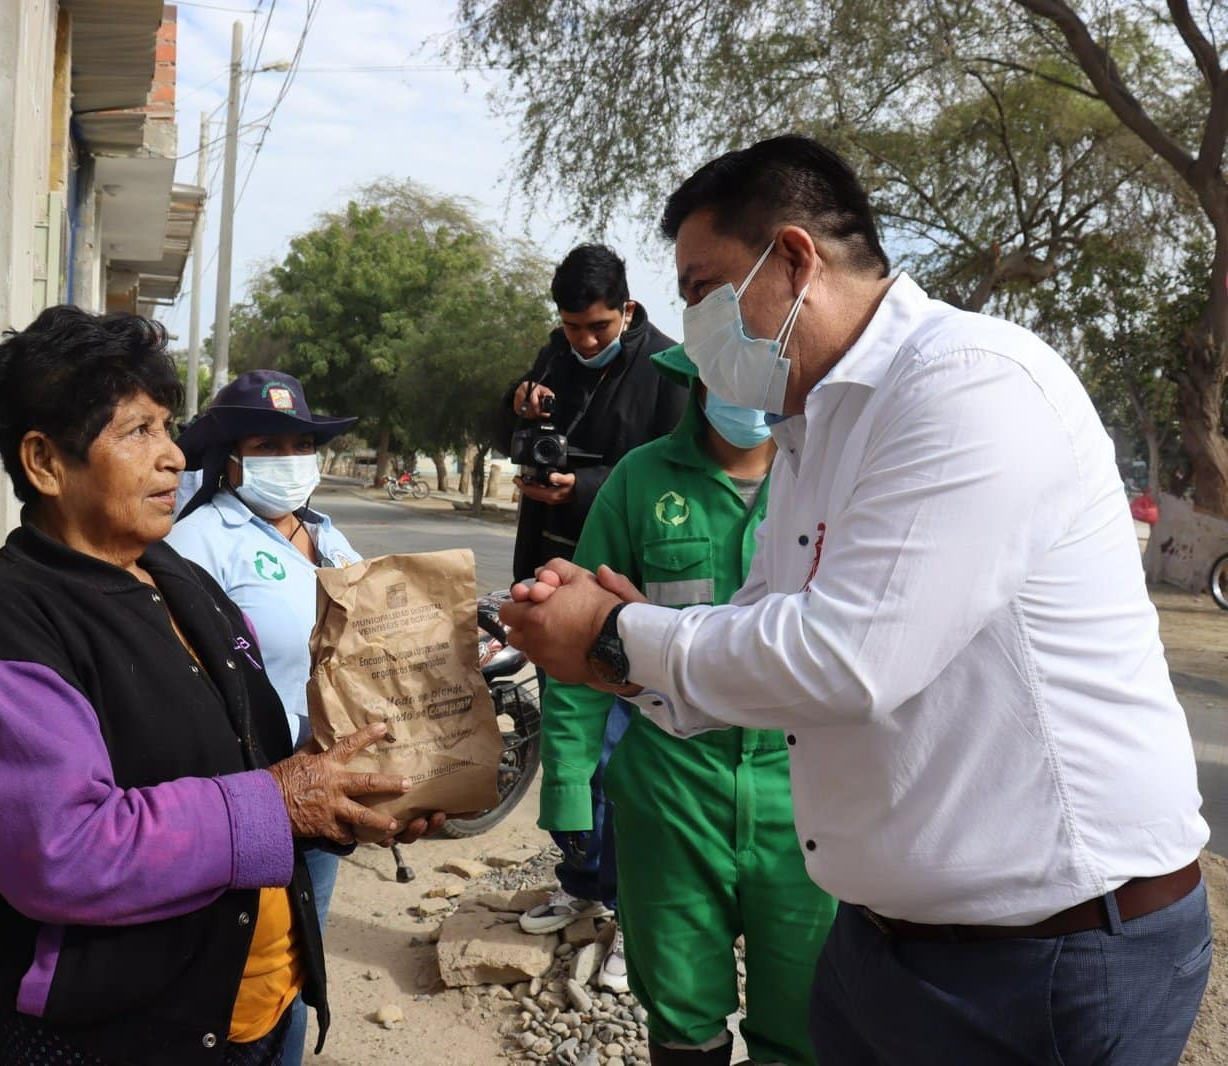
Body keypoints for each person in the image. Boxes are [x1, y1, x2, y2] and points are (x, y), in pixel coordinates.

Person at [502, 136, 1212, 1065]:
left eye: (702, 287)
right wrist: (620, 644)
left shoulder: (968, 386)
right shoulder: (815, 428)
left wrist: (617, 634)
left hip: (1053, 957)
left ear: (794, 259)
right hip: (887, 944)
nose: (690, 322)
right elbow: (760, 626)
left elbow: (846, 659)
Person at [0, 307, 443, 1066]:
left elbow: (260, 753)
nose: (173, 457)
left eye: (168, 428)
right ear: (43, 461)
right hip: (120, 1038)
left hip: (257, 1007)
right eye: (138, 432)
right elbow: (63, 851)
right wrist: (281, 802)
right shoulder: (3, 626)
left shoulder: (178, 577)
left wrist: (354, 799)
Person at [541, 343, 835, 1066]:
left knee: (805, 1015)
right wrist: (570, 784)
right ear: (697, 379)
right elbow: (582, 638)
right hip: (671, 797)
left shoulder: (827, 482)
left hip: (805, 802)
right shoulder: (640, 481)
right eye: (726, 373)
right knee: (679, 1012)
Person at [167, 370, 363, 1065]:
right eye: (268, 444)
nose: (290, 459)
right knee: (237, 993)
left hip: (329, 798)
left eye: (299, 444)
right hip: (253, 803)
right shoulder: (199, 545)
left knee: (299, 975)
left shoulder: (328, 536)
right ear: (232, 457)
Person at [500, 243, 687, 974]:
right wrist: (517, 408)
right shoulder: (552, 358)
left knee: (622, 760)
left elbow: (667, 466)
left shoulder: (669, 368)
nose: (583, 341)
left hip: (622, 593)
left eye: (598, 328)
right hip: (549, 583)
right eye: (572, 326)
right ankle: (581, 885)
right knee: (571, 757)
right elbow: (519, 441)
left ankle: (626, 909)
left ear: (629, 310)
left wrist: (576, 492)